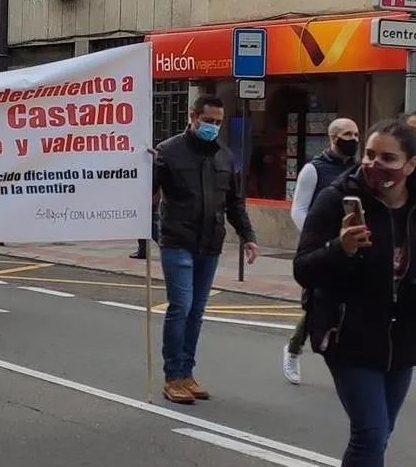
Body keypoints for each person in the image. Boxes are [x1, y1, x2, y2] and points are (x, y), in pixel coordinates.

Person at [294, 119, 416, 467]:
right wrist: (340, 248)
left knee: (381, 434)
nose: (374, 165)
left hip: (403, 340)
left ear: (410, 165)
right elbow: (304, 268)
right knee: (370, 435)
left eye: (388, 158)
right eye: (370, 154)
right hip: (349, 335)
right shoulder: (336, 198)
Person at [154, 95, 258, 405]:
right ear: (193, 116)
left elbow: (234, 202)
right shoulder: (168, 152)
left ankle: (187, 373)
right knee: (181, 307)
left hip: (210, 243)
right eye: (208, 120)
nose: (212, 126)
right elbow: (147, 193)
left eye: (217, 122)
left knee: (196, 312)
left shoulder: (224, 157)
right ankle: (173, 377)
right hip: (177, 241)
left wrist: (247, 234)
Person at [283, 117, 359, 385]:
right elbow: (299, 208)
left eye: (356, 134)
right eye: (347, 134)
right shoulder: (313, 170)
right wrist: (316, 238)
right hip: (322, 249)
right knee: (316, 303)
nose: (353, 139)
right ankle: (293, 350)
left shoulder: (357, 169)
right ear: (332, 137)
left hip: (351, 246)